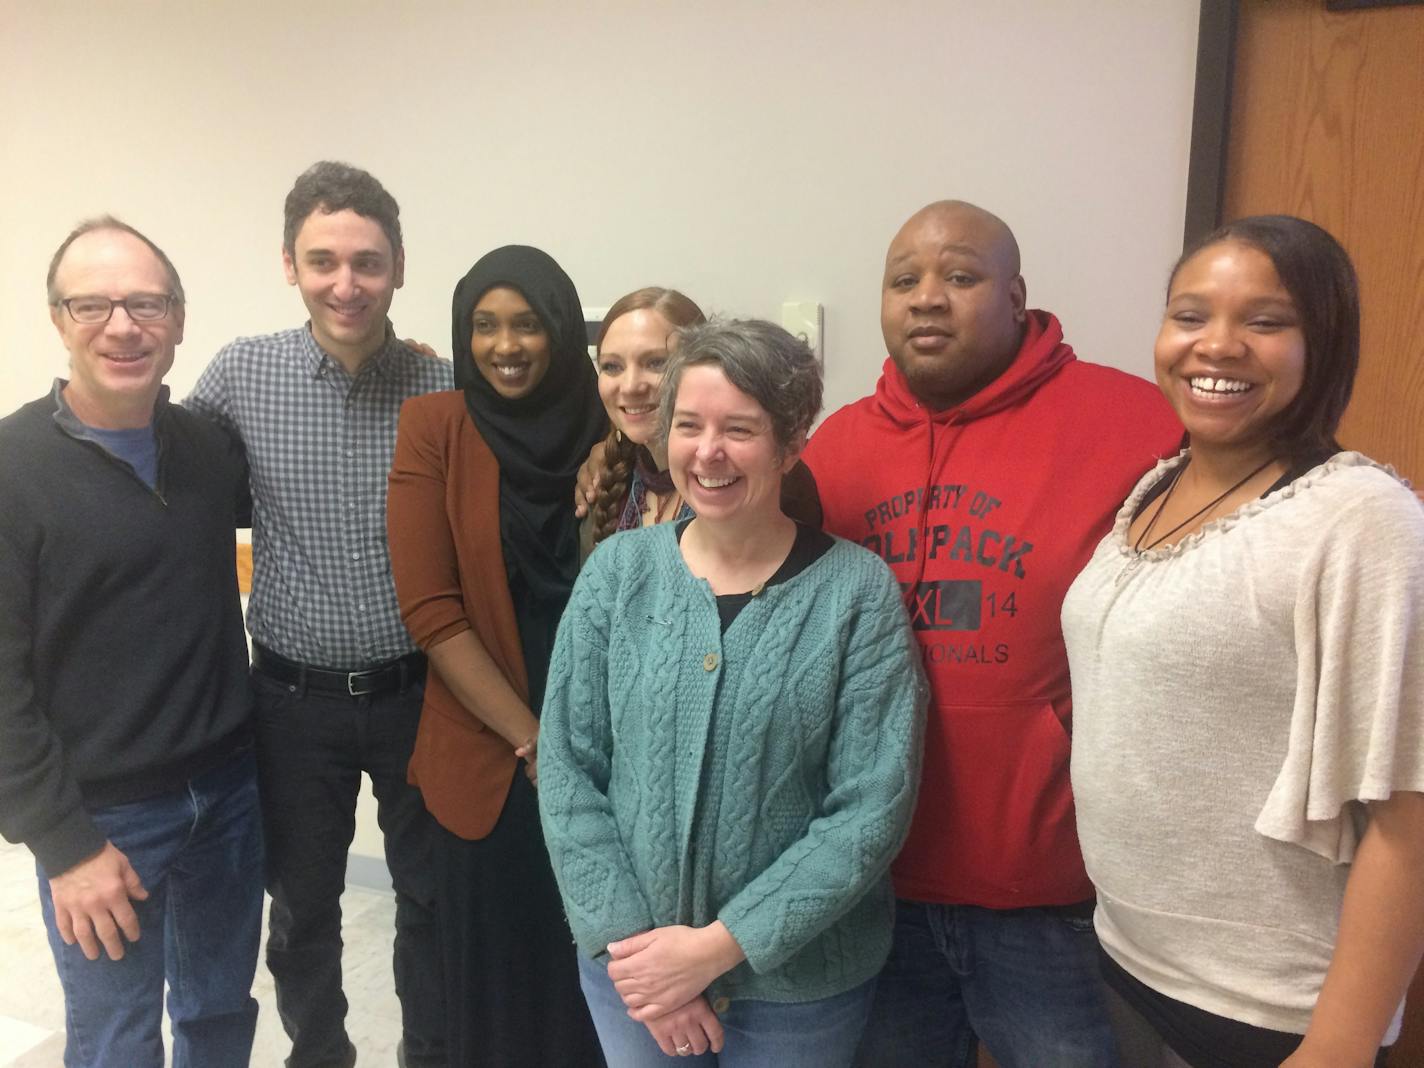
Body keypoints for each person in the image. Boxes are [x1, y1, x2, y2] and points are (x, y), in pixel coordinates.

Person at [799, 200, 1184, 1067]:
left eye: (960, 276)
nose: (927, 298)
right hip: (876, 892)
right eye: (905, 281)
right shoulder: (834, 449)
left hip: (1056, 900)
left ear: (1017, 295)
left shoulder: (1140, 428)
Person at [1063, 215, 1424, 1068]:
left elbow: (1410, 812)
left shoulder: (1361, 521)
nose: (1215, 346)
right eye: (1190, 316)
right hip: (1126, 960)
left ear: (1323, 342)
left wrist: (1335, 1047)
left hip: (1268, 1011)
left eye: (1264, 322)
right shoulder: (1158, 487)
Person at [539, 318, 925, 1066]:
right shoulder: (617, 575)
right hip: (635, 975)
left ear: (790, 442)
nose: (708, 452)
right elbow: (567, 770)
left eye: (739, 429)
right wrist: (642, 957)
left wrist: (715, 950)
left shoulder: (856, 594)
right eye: (689, 425)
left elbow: (871, 809)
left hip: (800, 990)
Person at [186, 161, 451, 1068]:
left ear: (400, 266)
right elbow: (178, 498)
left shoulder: (441, 388)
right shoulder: (239, 376)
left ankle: (431, 1051)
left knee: (430, 899)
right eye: (324, 260)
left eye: (368, 262)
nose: (347, 283)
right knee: (301, 906)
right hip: (292, 703)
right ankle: (321, 1054)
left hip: (422, 694)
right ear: (289, 264)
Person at [0, 218, 261, 1067]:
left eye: (145, 303)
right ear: (57, 319)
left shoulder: (206, 448)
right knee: (116, 1040)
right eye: (93, 304)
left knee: (220, 1014)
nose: (122, 325)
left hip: (227, 795)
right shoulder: (11, 470)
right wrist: (65, 847)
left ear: (180, 320)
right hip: (104, 819)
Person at [386, 244, 608, 1067]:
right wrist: (536, 742)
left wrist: (575, 749)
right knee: (496, 986)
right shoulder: (434, 429)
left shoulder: (611, 432)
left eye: (527, 324)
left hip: (606, 758)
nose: (505, 345)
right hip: (492, 757)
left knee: (596, 975)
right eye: (484, 326)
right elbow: (433, 613)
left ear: (560, 330)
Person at [586, 287, 707, 547]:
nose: (630, 386)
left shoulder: (741, 485)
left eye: (656, 363)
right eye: (612, 366)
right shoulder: (607, 482)